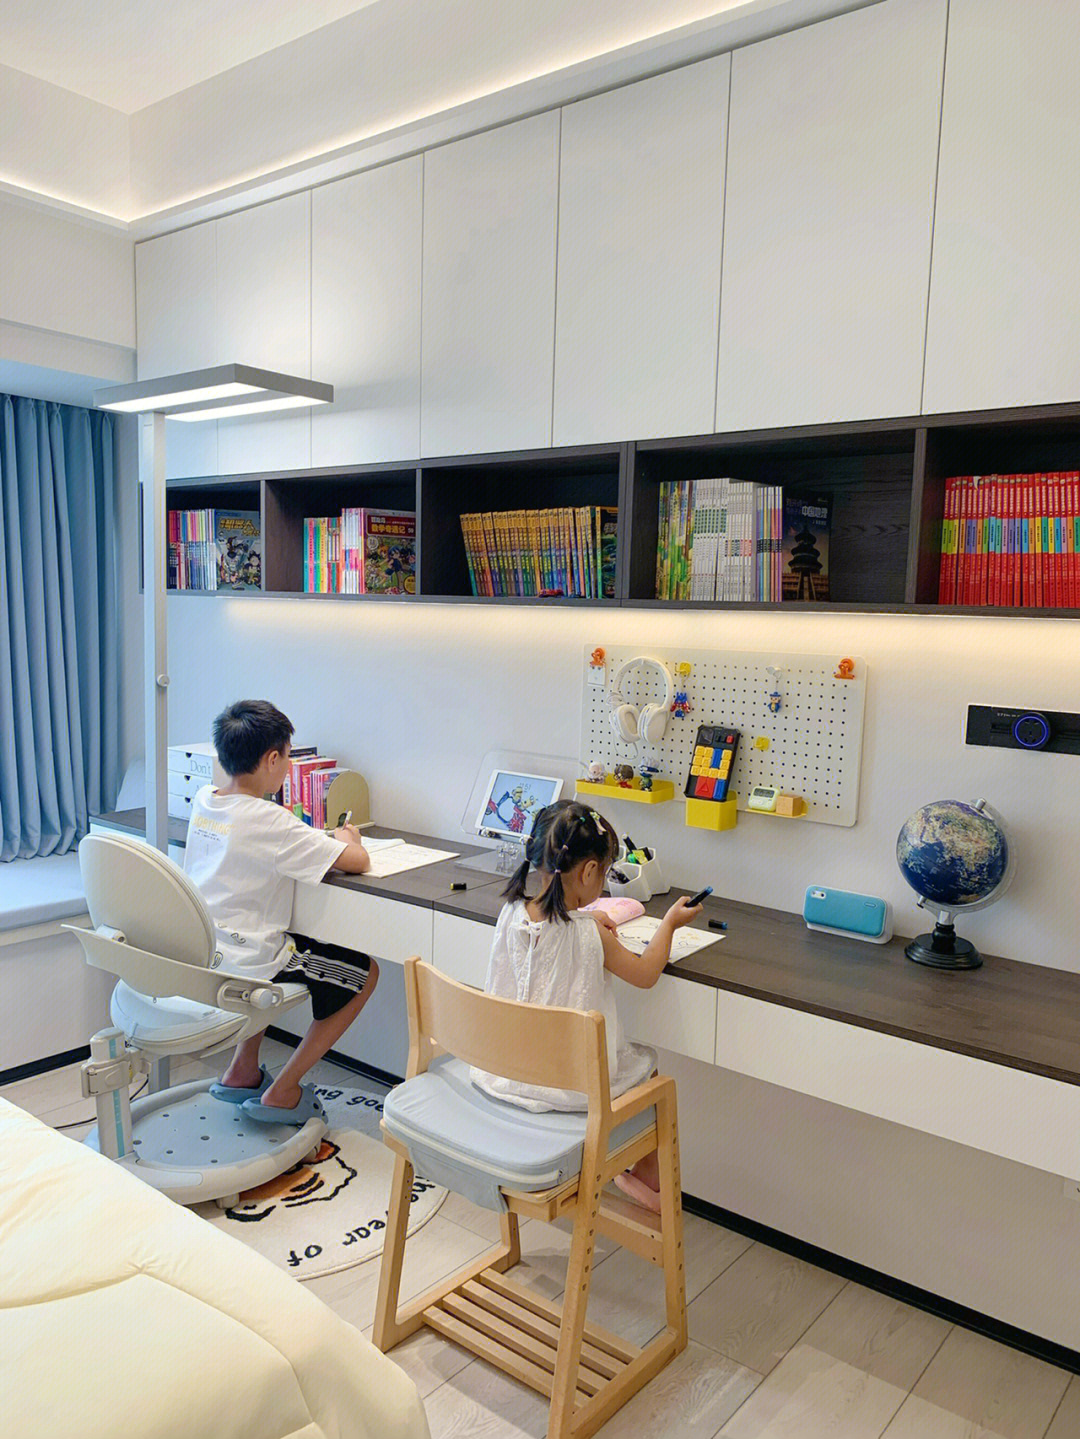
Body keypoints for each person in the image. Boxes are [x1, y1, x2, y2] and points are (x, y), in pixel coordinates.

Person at [470, 799, 702, 1212]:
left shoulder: (509, 913)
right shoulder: (591, 937)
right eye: (605, 874)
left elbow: (555, 927)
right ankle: (647, 1178)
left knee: (635, 1065)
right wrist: (668, 924)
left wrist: (586, 920)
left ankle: (640, 1176)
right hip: (568, 1092)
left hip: (502, 1074)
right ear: (589, 871)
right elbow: (647, 974)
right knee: (649, 1070)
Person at [183, 699, 377, 1125]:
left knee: (285, 940)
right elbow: (357, 862)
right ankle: (285, 1089)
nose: (288, 767)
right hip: (249, 962)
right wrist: (349, 838)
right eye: (288, 758)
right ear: (272, 759)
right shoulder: (272, 821)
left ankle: (242, 1070)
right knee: (364, 973)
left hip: (206, 951)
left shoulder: (204, 800)